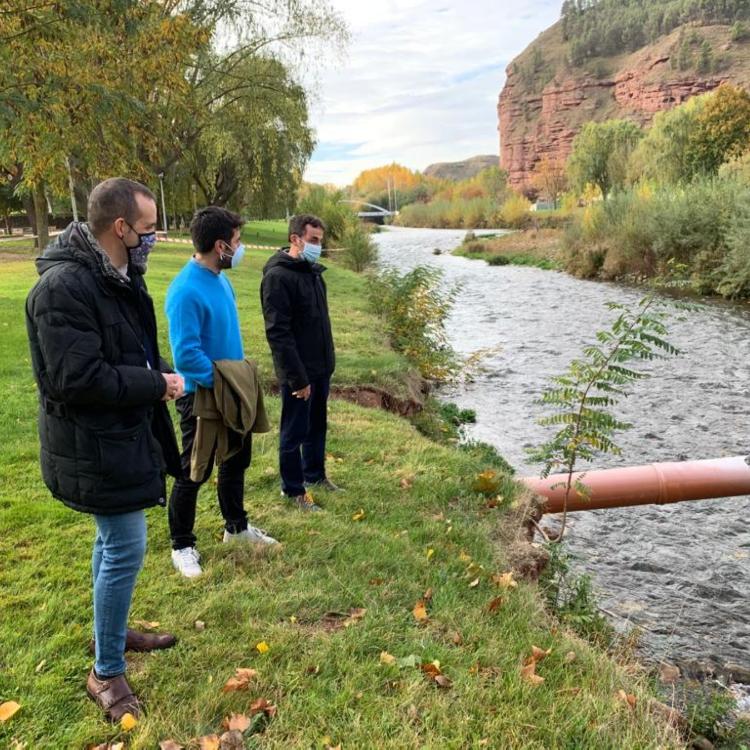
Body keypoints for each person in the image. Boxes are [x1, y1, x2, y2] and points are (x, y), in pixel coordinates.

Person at [25, 177, 183, 722]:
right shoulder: (64, 288)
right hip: (93, 446)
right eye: (148, 229)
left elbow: (130, 349)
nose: (154, 238)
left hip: (119, 438)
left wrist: (158, 371)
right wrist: (154, 385)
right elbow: (77, 378)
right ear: (120, 228)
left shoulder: (117, 274)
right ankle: (106, 672)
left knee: (110, 543)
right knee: (124, 549)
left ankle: (106, 636)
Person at [165, 206, 277, 579]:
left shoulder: (220, 279)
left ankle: (236, 528)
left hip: (231, 389)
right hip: (202, 395)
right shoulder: (184, 290)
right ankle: (182, 545)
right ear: (220, 245)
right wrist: (226, 384)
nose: (240, 247)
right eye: (237, 241)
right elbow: (186, 354)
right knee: (193, 470)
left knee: (236, 459)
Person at [260, 214, 339, 511]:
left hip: (320, 367)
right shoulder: (278, 277)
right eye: (314, 240)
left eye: (320, 240)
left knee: (317, 425)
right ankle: (293, 489)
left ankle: (315, 474)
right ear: (296, 238)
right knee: (294, 431)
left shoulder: (313, 272)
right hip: (298, 372)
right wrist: (297, 377)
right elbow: (278, 333)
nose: (318, 245)